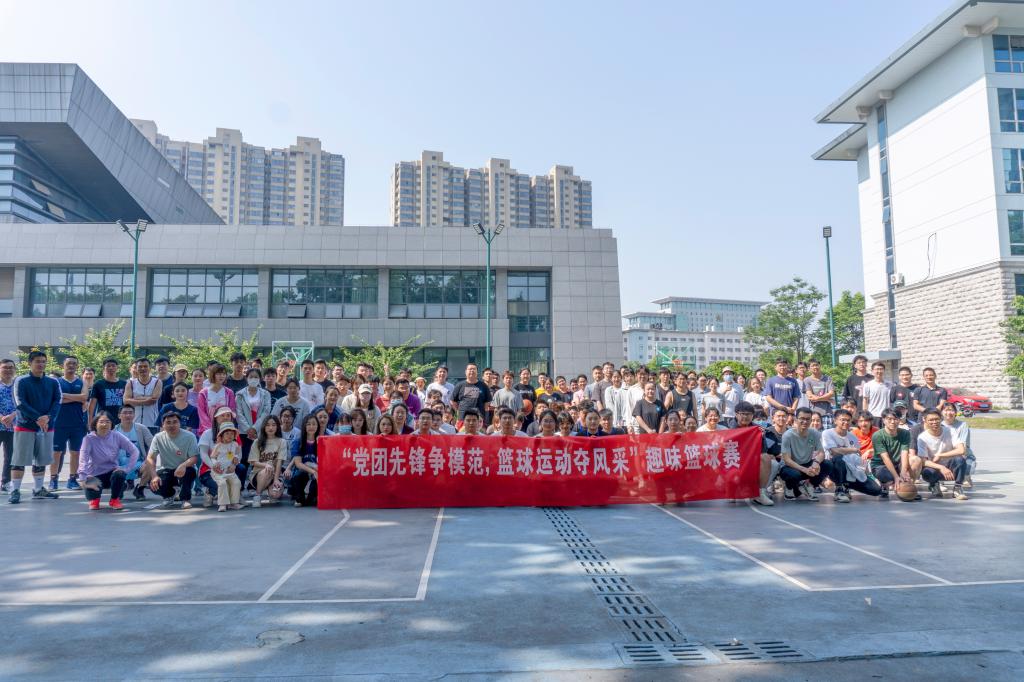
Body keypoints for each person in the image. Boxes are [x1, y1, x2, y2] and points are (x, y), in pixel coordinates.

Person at [9, 350, 61, 504]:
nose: (41, 364)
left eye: (43, 361)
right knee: (19, 460)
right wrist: (38, 418)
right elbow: (20, 403)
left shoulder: (53, 382)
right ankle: (15, 490)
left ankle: (38, 490)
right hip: (25, 426)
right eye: (37, 361)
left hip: (46, 426)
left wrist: (48, 417)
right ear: (29, 363)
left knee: (41, 460)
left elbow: (57, 401)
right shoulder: (21, 380)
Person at [78, 412, 138, 510]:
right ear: (95, 424)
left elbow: (134, 451)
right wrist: (83, 478)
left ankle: (115, 499)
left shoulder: (117, 436)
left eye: (107, 422)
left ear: (111, 424)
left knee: (120, 474)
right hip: (94, 474)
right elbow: (83, 459)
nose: (104, 424)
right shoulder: (88, 439)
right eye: (101, 422)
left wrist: (127, 468)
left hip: (112, 472)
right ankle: (95, 499)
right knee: (91, 489)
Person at [822, 409, 883, 503]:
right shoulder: (827, 433)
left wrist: (868, 474)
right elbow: (834, 451)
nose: (846, 422)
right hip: (834, 470)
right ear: (835, 421)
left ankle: (847, 485)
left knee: (876, 490)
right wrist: (852, 450)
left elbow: (857, 458)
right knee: (838, 458)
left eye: (848, 420)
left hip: (852, 470)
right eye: (842, 420)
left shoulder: (853, 437)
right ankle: (840, 490)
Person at [50, 355, 90, 491]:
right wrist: (76, 398)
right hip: (59, 423)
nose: (71, 366)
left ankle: (72, 479)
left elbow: (84, 397)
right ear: (63, 366)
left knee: (75, 452)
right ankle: (53, 479)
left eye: (74, 363)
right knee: (56, 452)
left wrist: (64, 396)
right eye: (69, 363)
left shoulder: (82, 382)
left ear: (77, 366)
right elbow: (56, 399)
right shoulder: (56, 382)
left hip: (77, 423)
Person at [146, 411, 200, 509]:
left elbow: (194, 457)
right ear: (163, 425)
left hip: (186, 468)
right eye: (168, 422)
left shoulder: (189, 436)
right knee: (154, 484)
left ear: (180, 423)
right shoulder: (158, 437)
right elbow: (150, 458)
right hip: (167, 469)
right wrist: (154, 476)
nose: (171, 425)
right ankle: (169, 495)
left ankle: (185, 499)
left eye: (175, 422)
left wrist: (183, 465)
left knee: (188, 472)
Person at [778, 407, 832, 501]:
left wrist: (816, 463)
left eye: (808, 419)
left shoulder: (814, 433)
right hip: (790, 467)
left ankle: (808, 486)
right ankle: (789, 488)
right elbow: (787, 460)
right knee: (794, 475)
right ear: (796, 419)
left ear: (811, 420)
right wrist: (804, 469)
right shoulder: (787, 435)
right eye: (802, 418)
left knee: (828, 464)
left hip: (807, 465)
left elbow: (821, 453)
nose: (805, 421)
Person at [915, 408, 969, 500]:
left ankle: (958, 488)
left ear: (941, 419)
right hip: (934, 468)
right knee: (927, 472)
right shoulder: (922, 437)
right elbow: (923, 461)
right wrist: (941, 467)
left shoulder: (951, 431)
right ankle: (934, 485)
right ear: (925, 420)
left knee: (960, 459)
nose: (934, 422)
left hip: (950, 467)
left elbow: (961, 450)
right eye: (931, 420)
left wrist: (940, 455)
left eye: (937, 419)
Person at [870, 408, 923, 499]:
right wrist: (896, 476)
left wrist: (903, 472)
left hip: (897, 464)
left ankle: (908, 487)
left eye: (895, 419)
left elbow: (904, 453)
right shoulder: (877, 435)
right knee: (887, 476)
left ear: (899, 420)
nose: (892, 422)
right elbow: (885, 458)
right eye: (889, 419)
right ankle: (885, 485)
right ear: (883, 420)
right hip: (881, 466)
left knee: (916, 460)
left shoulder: (905, 433)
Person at [114, 405, 154, 499]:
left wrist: (148, 459)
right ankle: (120, 487)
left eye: (130, 413)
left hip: (138, 463)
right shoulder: (113, 430)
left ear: (134, 415)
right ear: (119, 415)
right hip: (118, 464)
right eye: (125, 413)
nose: (128, 415)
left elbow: (153, 445)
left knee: (150, 465)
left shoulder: (141, 428)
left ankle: (139, 489)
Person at [236, 367, 272, 467]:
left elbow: (266, 412)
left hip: (260, 431)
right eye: (251, 377)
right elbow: (238, 413)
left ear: (260, 379)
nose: (253, 379)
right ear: (246, 378)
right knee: (244, 459)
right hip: (244, 432)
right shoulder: (240, 394)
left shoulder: (265, 394)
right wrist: (248, 429)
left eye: (256, 377)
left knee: (259, 459)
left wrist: (255, 428)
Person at [203, 422, 243, 512]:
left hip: (230, 471)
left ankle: (234, 503)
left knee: (236, 482)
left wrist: (236, 459)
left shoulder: (235, 444)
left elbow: (237, 454)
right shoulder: (218, 446)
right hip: (219, 471)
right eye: (227, 433)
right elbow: (212, 457)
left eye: (232, 434)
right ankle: (222, 504)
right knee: (222, 484)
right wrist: (215, 463)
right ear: (221, 435)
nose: (230, 436)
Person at [754, 406, 789, 505]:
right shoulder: (767, 432)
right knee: (773, 464)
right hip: (772, 461)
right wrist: (773, 455)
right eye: (778, 416)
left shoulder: (792, 432)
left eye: (784, 416)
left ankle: (792, 487)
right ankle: (763, 490)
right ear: (773, 418)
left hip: (788, 461)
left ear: (787, 418)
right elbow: (764, 451)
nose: (781, 418)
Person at [289, 414, 321, 507]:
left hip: (317, 470)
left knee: (312, 501)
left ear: (317, 426)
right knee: (298, 476)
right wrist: (313, 471)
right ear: (304, 426)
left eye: (314, 424)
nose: (311, 426)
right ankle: (299, 496)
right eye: (308, 424)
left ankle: (312, 495)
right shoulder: (298, 442)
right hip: (304, 471)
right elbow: (298, 464)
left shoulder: (321, 441)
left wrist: (317, 471)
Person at [123, 357, 162, 433]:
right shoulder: (131, 383)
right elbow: (125, 401)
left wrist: (134, 398)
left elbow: (153, 400)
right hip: (135, 423)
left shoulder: (157, 382)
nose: (143, 368)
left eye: (145, 366)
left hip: (152, 424)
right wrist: (146, 400)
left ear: (150, 368)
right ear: (137, 369)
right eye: (140, 366)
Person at [197, 364, 237, 435]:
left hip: (225, 429)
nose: (221, 376)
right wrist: (211, 429)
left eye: (224, 374)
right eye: (218, 374)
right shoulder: (203, 393)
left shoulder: (229, 392)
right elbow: (201, 413)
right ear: (213, 375)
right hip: (207, 430)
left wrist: (225, 427)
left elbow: (232, 410)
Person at [941, 403, 974, 487]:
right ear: (941, 412)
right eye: (946, 410)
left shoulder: (963, 425)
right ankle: (939, 481)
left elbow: (963, 447)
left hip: (962, 454)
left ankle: (965, 477)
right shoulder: (939, 425)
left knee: (965, 465)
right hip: (944, 455)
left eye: (951, 410)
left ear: (956, 412)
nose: (949, 413)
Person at [90, 358, 127, 425]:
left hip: (121, 420)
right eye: (108, 366)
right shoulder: (98, 384)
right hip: (103, 420)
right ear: (104, 368)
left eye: (113, 366)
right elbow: (92, 404)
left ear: (117, 368)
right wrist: (90, 421)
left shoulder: (124, 383)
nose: (111, 368)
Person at [0, 358, 16, 492]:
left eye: (11, 367)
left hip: (14, 426)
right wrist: (2, 418)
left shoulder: (18, 386)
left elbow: (24, 404)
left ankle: (6, 482)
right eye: (5, 367)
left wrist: (12, 416)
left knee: (10, 456)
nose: (8, 370)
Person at [803, 359, 835, 428]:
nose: (815, 367)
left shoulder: (828, 379)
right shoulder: (807, 380)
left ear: (820, 366)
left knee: (827, 434)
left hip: (827, 413)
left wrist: (817, 398)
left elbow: (831, 393)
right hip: (813, 414)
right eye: (813, 366)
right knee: (813, 433)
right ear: (809, 369)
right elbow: (810, 396)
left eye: (817, 365)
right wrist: (827, 399)